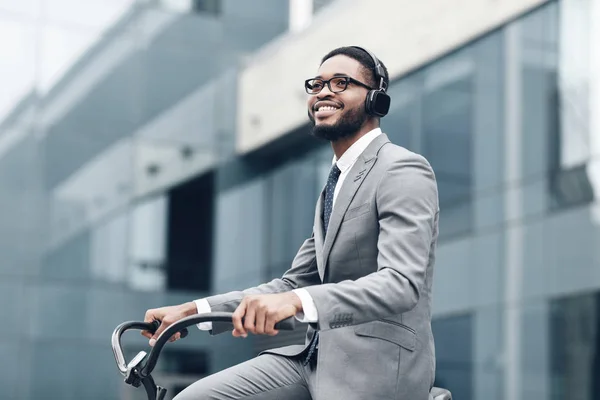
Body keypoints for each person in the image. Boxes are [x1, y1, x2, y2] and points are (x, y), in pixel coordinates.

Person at [142, 46, 440, 400]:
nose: (324, 92)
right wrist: (192, 312)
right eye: (317, 84)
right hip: (312, 359)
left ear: (376, 100)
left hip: (374, 367)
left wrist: (298, 302)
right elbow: (292, 283)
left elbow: (401, 284)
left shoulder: (401, 168)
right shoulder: (337, 182)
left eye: (341, 82)